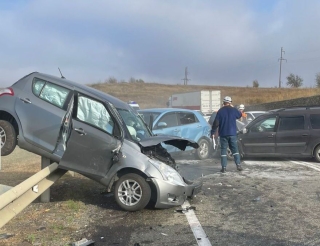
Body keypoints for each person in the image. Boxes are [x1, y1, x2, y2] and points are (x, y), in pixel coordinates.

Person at [211, 96, 243, 173]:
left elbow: (216, 123)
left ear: (223, 102)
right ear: (230, 102)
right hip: (232, 134)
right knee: (235, 150)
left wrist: (212, 132)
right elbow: (239, 115)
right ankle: (238, 165)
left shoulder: (220, 111)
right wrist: (233, 107)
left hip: (223, 134)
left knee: (223, 150)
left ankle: (224, 168)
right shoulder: (233, 110)